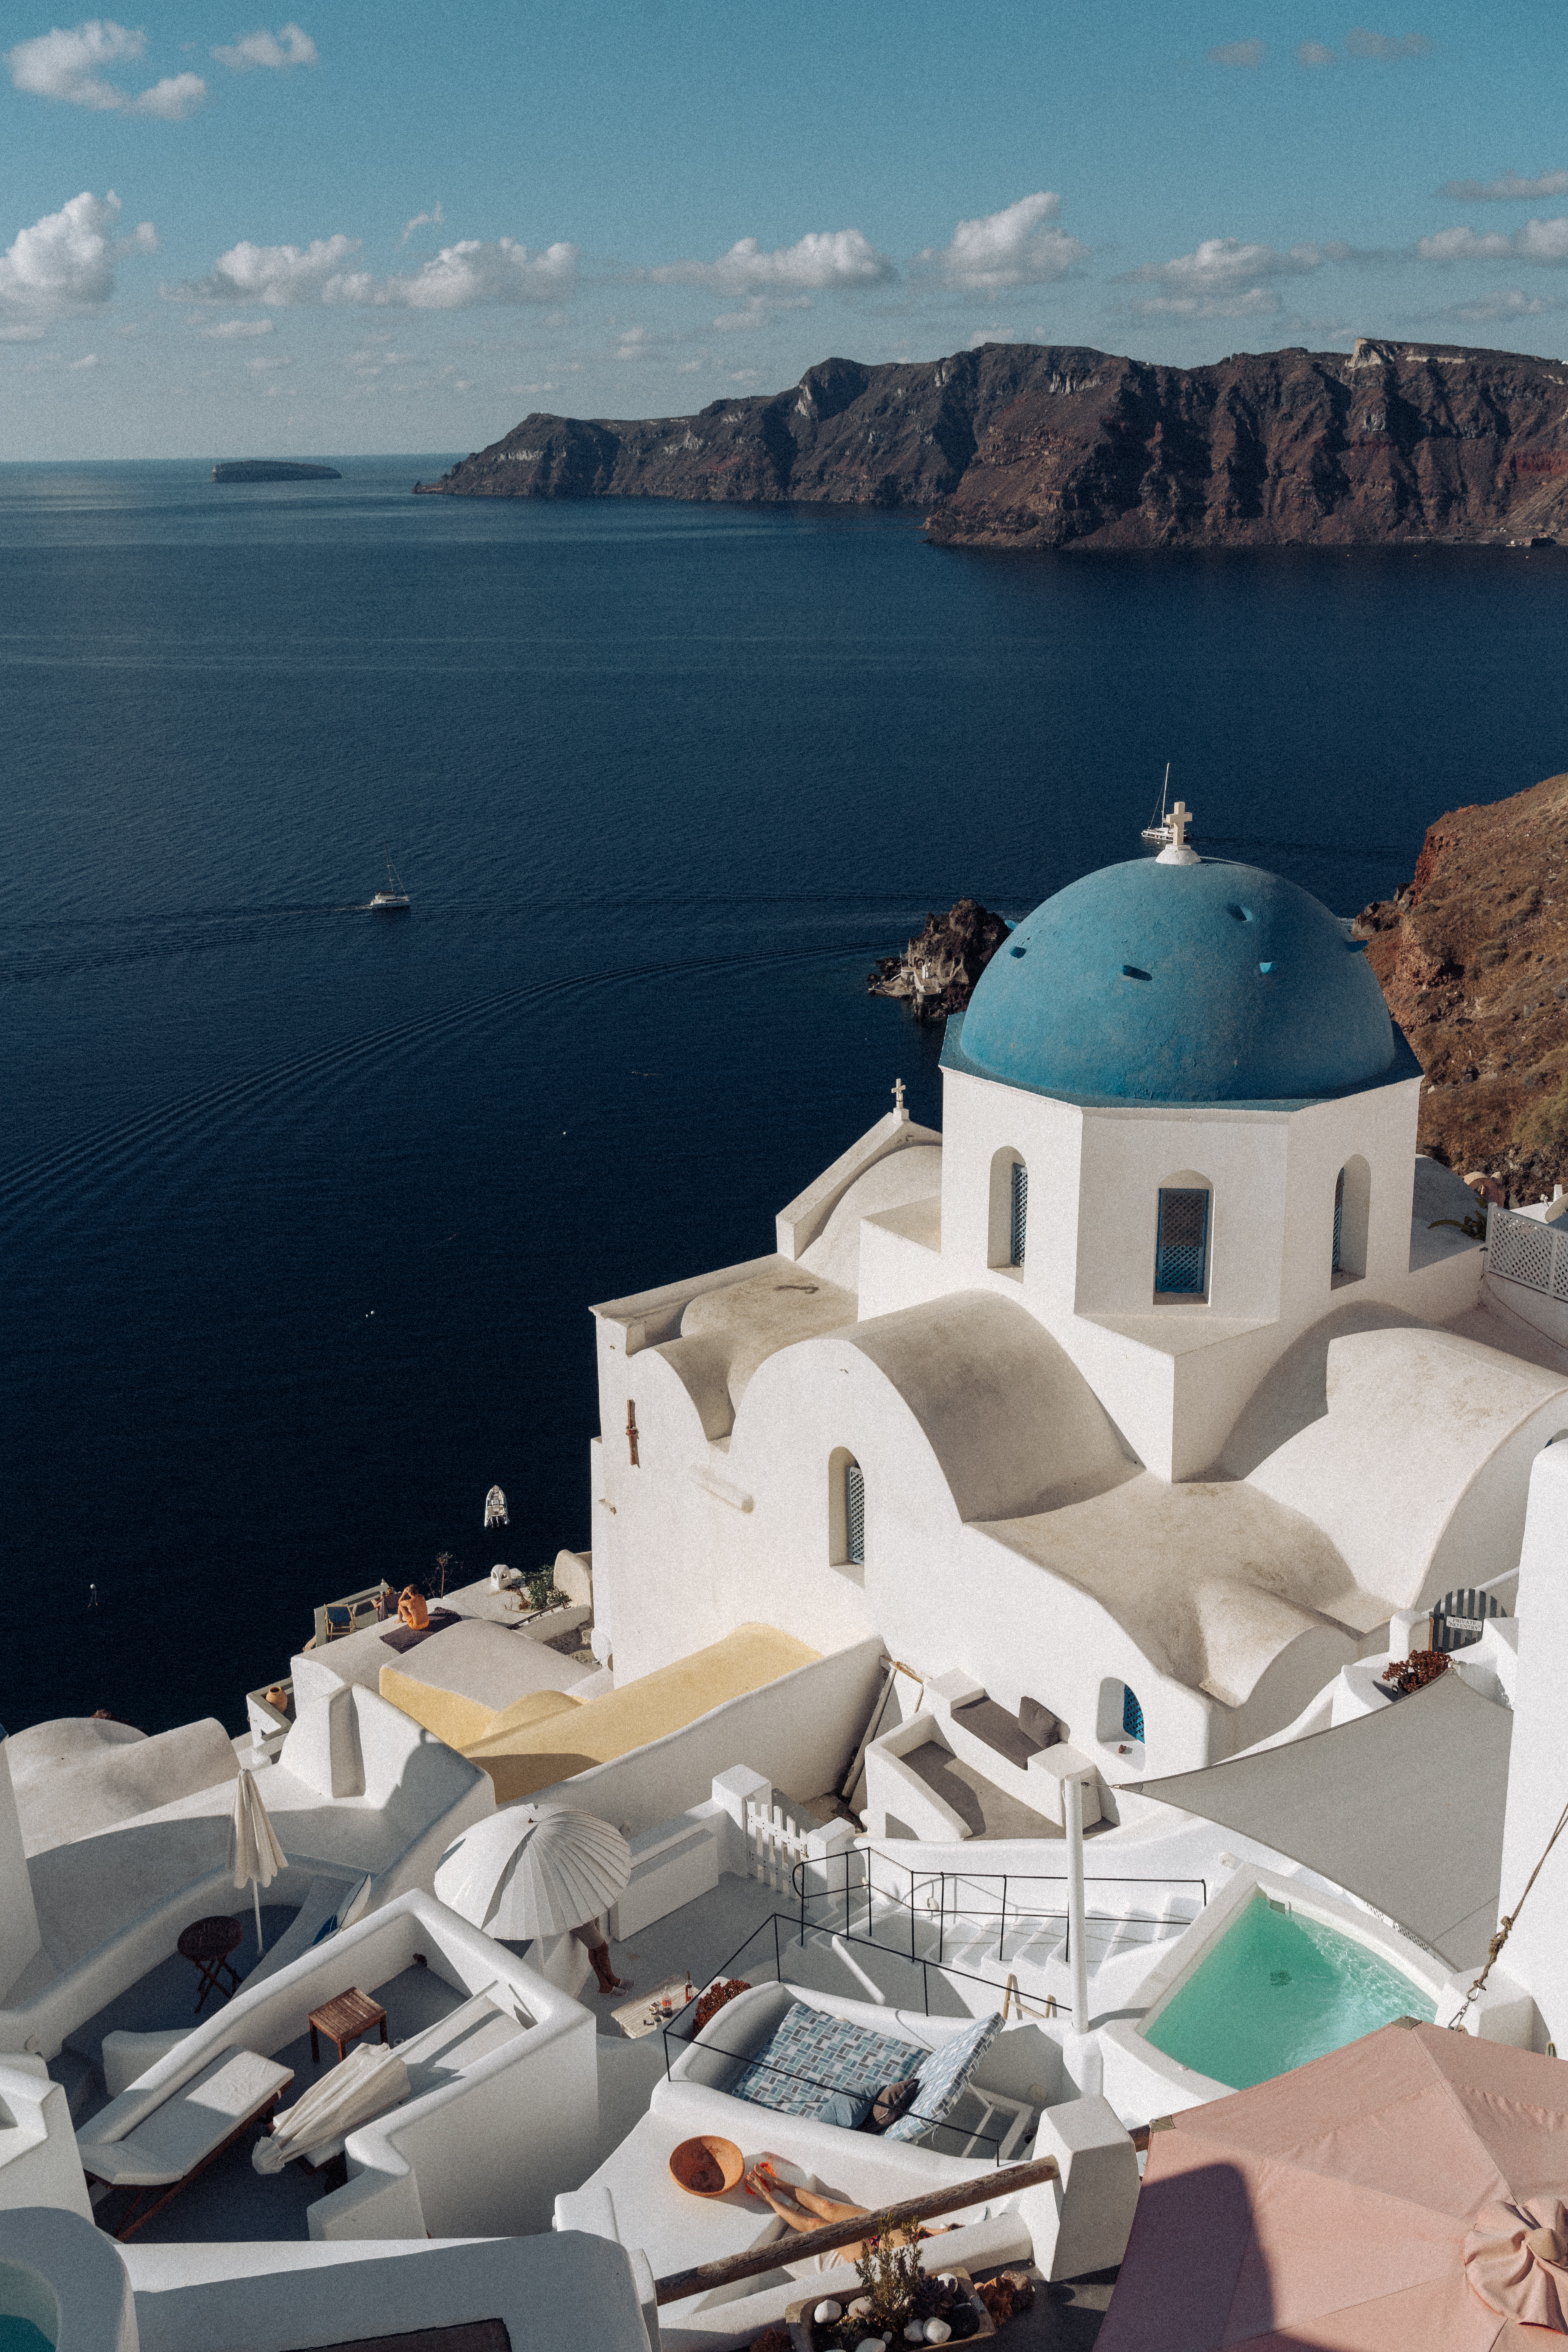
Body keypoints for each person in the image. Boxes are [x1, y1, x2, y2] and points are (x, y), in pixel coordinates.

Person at [571, 1916, 631, 1996]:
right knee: (602, 1948)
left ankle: (605, 1985)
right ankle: (612, 1980)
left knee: (594, 1948)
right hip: (580, 1918)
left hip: (590, 1911)